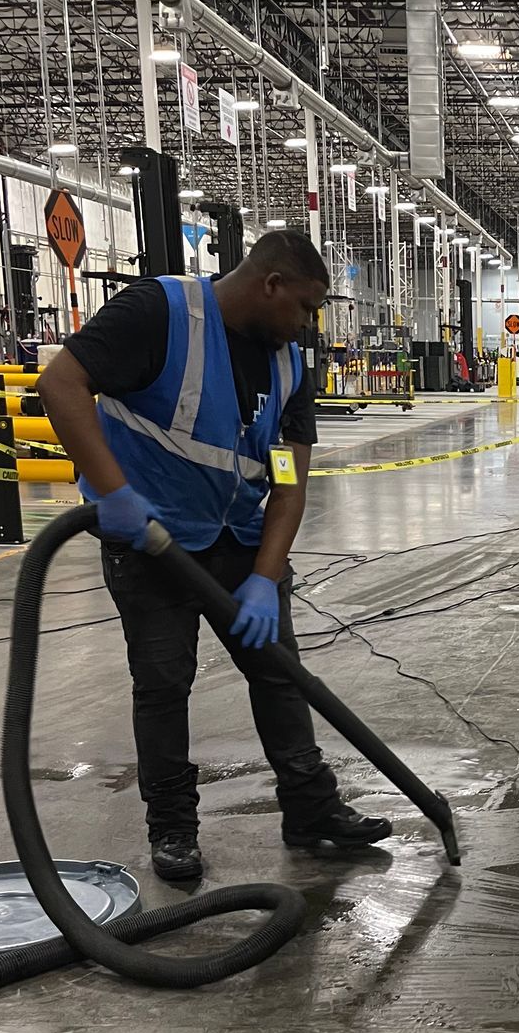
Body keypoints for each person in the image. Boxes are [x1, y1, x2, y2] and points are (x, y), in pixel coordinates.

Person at [36, 231, 390, 881]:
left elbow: (288, 481)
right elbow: (60, 382)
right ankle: (172, 828)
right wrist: (112, 495)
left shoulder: (287, 367)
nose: (309, 326)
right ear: (270, 285)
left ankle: (310, 812)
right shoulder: (160, 313)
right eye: (307, 308)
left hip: (236, 539)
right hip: (151, 543)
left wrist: (264, 577)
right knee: (165, 684)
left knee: (281, 674)